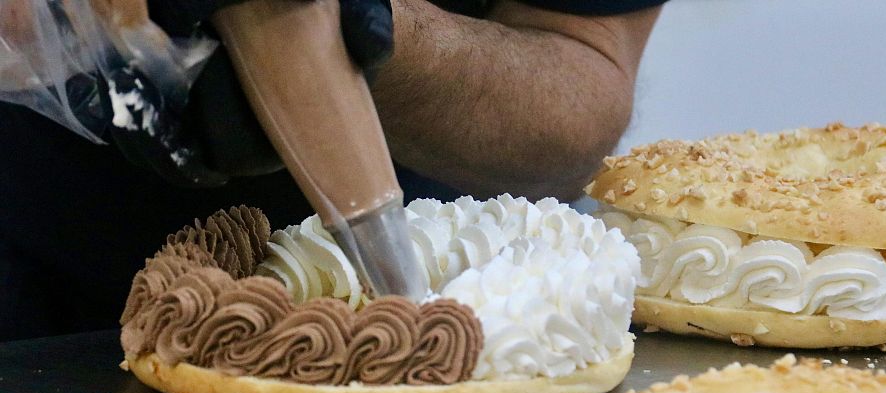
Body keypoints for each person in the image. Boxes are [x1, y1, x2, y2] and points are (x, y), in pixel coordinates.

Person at [0, 0, 664, 340]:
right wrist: (55, 29)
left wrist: (361, 29)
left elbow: (583, 79)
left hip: (460, 297)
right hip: (34, 286)